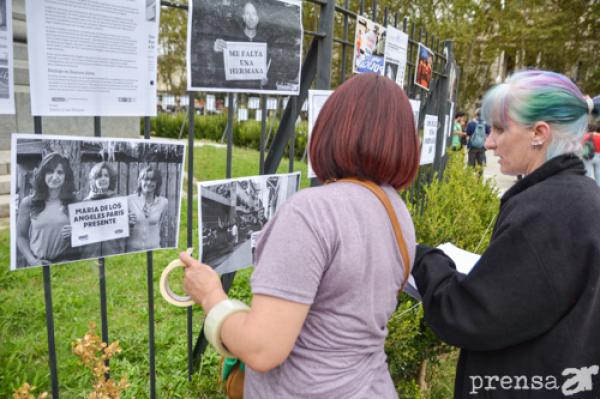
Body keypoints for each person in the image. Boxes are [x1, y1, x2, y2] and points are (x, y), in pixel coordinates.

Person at [179, 73, 420, 398]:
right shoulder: (396, 210)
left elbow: (262, 348)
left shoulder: (311, 211)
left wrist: (210, 295)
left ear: (331, 128)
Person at [412, 71, 600, 398]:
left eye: (500, 129)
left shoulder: (545, 210)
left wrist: (425, 260)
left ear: (539, 133)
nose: (489, 142)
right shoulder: (580, 194)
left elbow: (473, 315)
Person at [16, 152, 77, 267]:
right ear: (43, 174)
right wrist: (32, 261)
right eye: (50, 171)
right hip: (37, 263)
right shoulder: (29, 203)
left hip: (65, 263)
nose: (55, 177)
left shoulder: (74, 203)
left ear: (66, 176)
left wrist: (76, 234)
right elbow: (20, 237)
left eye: (60, 172)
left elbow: (83, 238)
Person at [213, 1, 271, 88]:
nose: (251, 18)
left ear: (258, 18)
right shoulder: (232, 39)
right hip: (236, 92)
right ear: (243, 17)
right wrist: (215, 49)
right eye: (247, 13)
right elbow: (219, 67)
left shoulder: (264, 43)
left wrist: (266, 81)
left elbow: (269, 74)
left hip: (255, 94)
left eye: (254, 13)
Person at [80, 161, 125, 259]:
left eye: (106, 176)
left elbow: (124, 232)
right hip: (90, 257)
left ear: (110, 179)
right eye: (99, 176)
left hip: (113, 254)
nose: (103, 179)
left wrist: (129, 221)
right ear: (93, 180)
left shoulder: (119, 203)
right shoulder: (84, 204)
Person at [127, 166, 168, 251]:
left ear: (157, 183)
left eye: (152, 180)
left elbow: (161, 226)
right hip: (133, 250)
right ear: (140, 181)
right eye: (145, 179)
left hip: (155, 249)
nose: (149, 183)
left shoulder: (163, 202)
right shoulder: (129, 200)